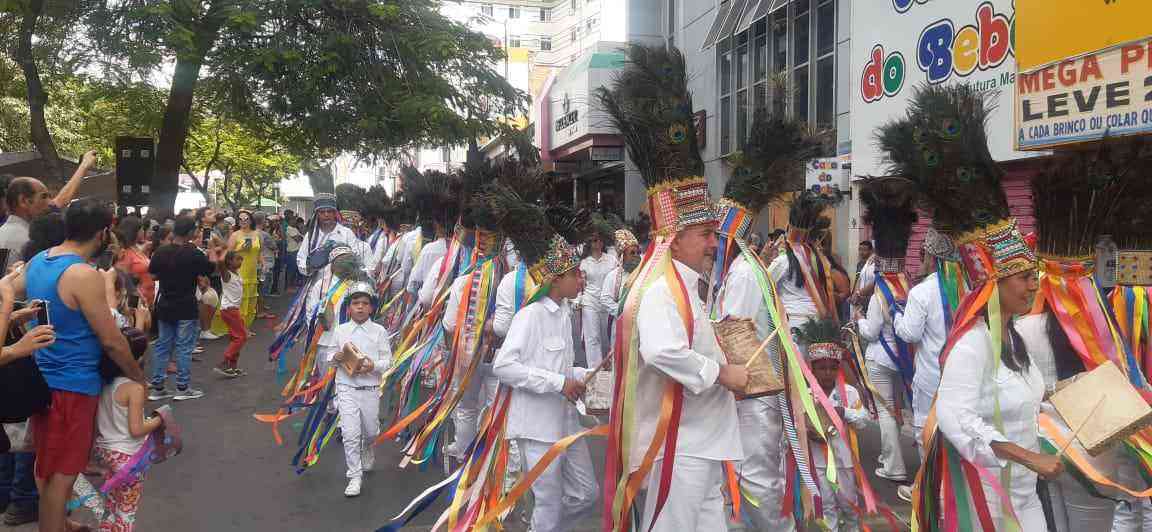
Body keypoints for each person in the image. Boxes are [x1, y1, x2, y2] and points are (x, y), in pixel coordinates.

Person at [16, 198, 145, 532]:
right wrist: (138, 377)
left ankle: (60, 524)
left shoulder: (39, 261)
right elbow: (112, 340)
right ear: (103, 233)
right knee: (62, 475)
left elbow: (8, 289)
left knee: (46, 467)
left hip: (43, 380)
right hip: (72, 388)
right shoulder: (82, 274)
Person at [492, 226, 597, 532]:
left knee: (586, 495)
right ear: (555, 280)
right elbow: (504, 366)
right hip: (537, 429)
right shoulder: (531, 315)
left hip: (566, 421)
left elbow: (563, 368)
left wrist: (587, 376)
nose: (582, 279)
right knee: (548, 502)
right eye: (575, 274)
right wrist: (559, 383)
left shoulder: (565, 312)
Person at [803, 321, 871, 531]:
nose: (827, 373)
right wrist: (807, 431)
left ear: (839, 368)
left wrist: (844, 413)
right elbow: (796, 426)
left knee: (849, 504)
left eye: (832, 368)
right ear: (812, 368)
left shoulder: (848, 393)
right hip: (818, 461)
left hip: (844, 461)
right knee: (826, 505)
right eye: (821, 368)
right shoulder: (806, 395)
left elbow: (863, 419)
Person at [93, 327, 163, 531]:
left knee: (112, 505)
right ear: (138, 358)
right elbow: (136, 428)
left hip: (105, 452)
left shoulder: (103, 383)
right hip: (127, 456)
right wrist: (159, 420)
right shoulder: (134, 389)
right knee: (126, 510)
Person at [328, 283, 390, 497]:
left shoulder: (380, 331)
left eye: (365, 303)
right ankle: (354, 476)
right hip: (346, 388)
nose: (360, 307)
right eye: (356, 303)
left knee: (371, 431)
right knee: (350, 433)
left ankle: (368, 447)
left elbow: (387, 360)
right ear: (349, 308)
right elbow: (329, 358)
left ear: (371, 308)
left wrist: (374, 366)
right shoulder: (340, 331)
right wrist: (337, 357)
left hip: (371, 388)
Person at [147, 216, 215, 401]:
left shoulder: (161, 251)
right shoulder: (193, 253)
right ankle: (182, 388)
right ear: (191, 232)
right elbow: (209, 270)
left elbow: (152, 275)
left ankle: (158, 387)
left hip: (165, 303)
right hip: (185, 304)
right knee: (184, 347)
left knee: (163, 345)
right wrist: (213, 252)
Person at [296, 194, 373, 280]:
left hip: (343, 285)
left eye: (329, 211)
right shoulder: (311, 236)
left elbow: (358, 258)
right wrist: (311, 266)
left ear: (334, 213)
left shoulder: (346, 233)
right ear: (317, 214)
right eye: (322, 212)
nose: (326, 215)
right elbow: (301, 259)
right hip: (316, 285)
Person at [577, 231, 616, 368]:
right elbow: (581, 283)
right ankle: (594, 370)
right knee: (592, 337)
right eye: (594, 240)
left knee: (612, 334)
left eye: (600, 240)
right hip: (590, 301)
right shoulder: (584, 263)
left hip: (608, 301)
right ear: (590, 243)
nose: (598, 243)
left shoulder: (612, 259)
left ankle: (613, 365)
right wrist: (578, 300)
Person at [0, 177, 54, 272]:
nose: (51, 203)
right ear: (24, 201)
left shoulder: (5, 231)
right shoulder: (27, 239)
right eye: (44, 197)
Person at [213, 251, 248, 378]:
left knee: (236, 337)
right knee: (241, 337)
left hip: (233, 309)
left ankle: (232, 367)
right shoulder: (226, 275)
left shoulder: (236, 274)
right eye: (237, 259)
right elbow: (220, 262)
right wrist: (222, 248)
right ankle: (224, 362)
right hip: (229, 309)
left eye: (241, 259)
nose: (240, 261)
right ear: (229, 262)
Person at [115, 217, 155, 308]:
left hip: (148, 298)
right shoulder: (125, 253)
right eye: (141, 229)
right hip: (138, 302)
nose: (143, 231)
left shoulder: (136, 248)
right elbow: (125, 281)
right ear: (134, 231)